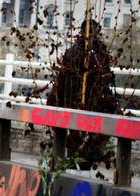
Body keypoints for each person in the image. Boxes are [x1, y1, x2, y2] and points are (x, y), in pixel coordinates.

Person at [48, 17, 117, 168]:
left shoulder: (99, 52)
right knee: (77, 141)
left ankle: (82, 163)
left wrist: (107, 77)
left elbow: (106, 73)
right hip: (78, 102)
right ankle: (76, 165)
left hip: (95, 103)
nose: (94, 36)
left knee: (94, 139)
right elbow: (66, 79)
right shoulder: (76, 53)